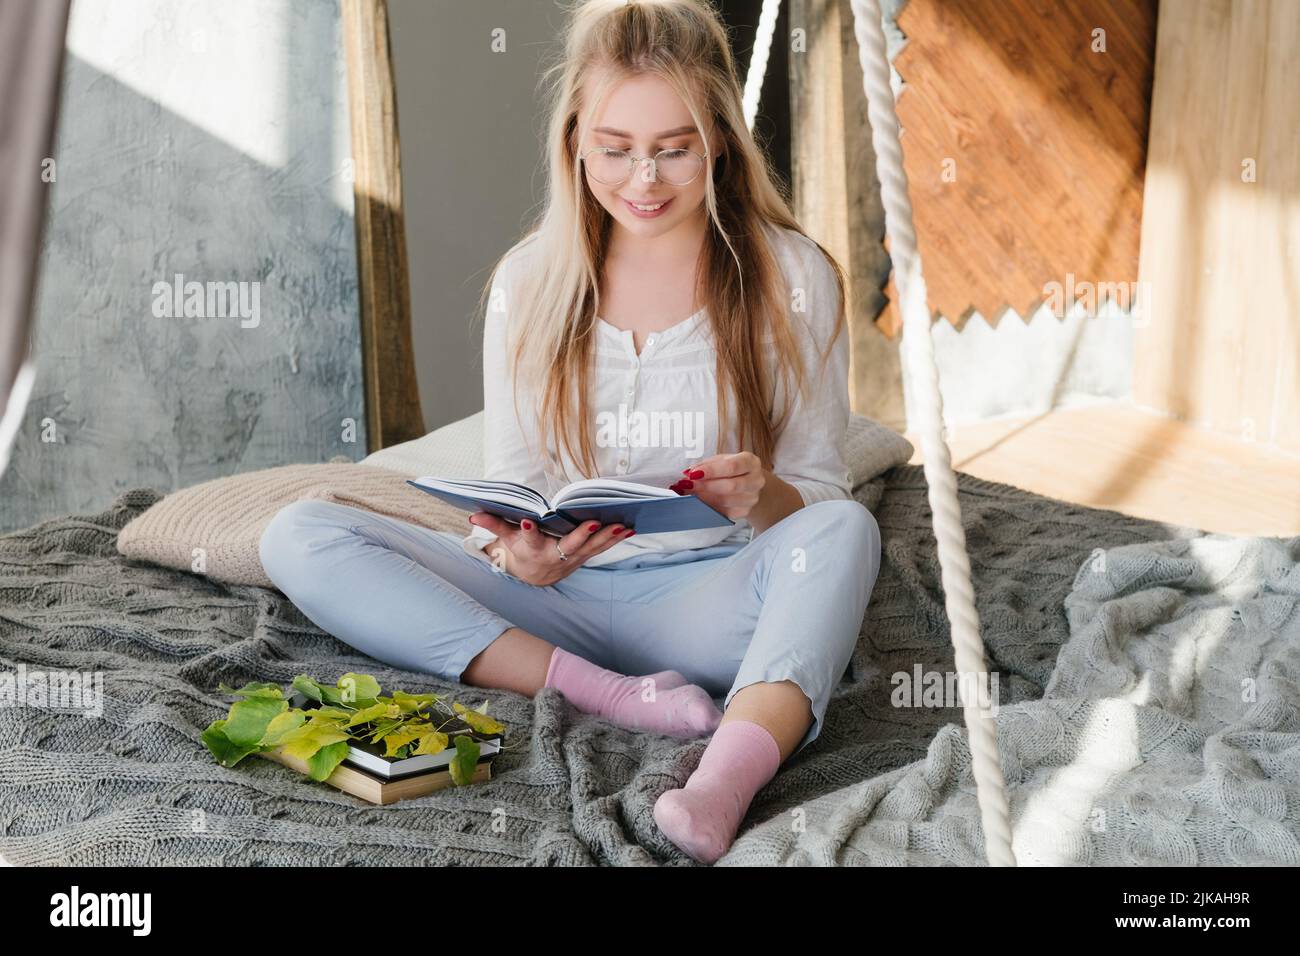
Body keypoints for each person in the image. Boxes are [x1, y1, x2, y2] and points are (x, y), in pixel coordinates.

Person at [260, 0, 881, 864]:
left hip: (711, 599)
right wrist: (513, 554)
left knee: (848, 533)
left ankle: (719, 783)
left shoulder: (791, 275)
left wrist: (763, 494)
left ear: (720, 145)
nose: (645, 181)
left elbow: (819, 494)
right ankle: (616, 698)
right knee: (300, 533)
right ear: (575, 142)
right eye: (615, 149)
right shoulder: (529, 282)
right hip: (557, 607)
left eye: (674, 149)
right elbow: (507, 497)